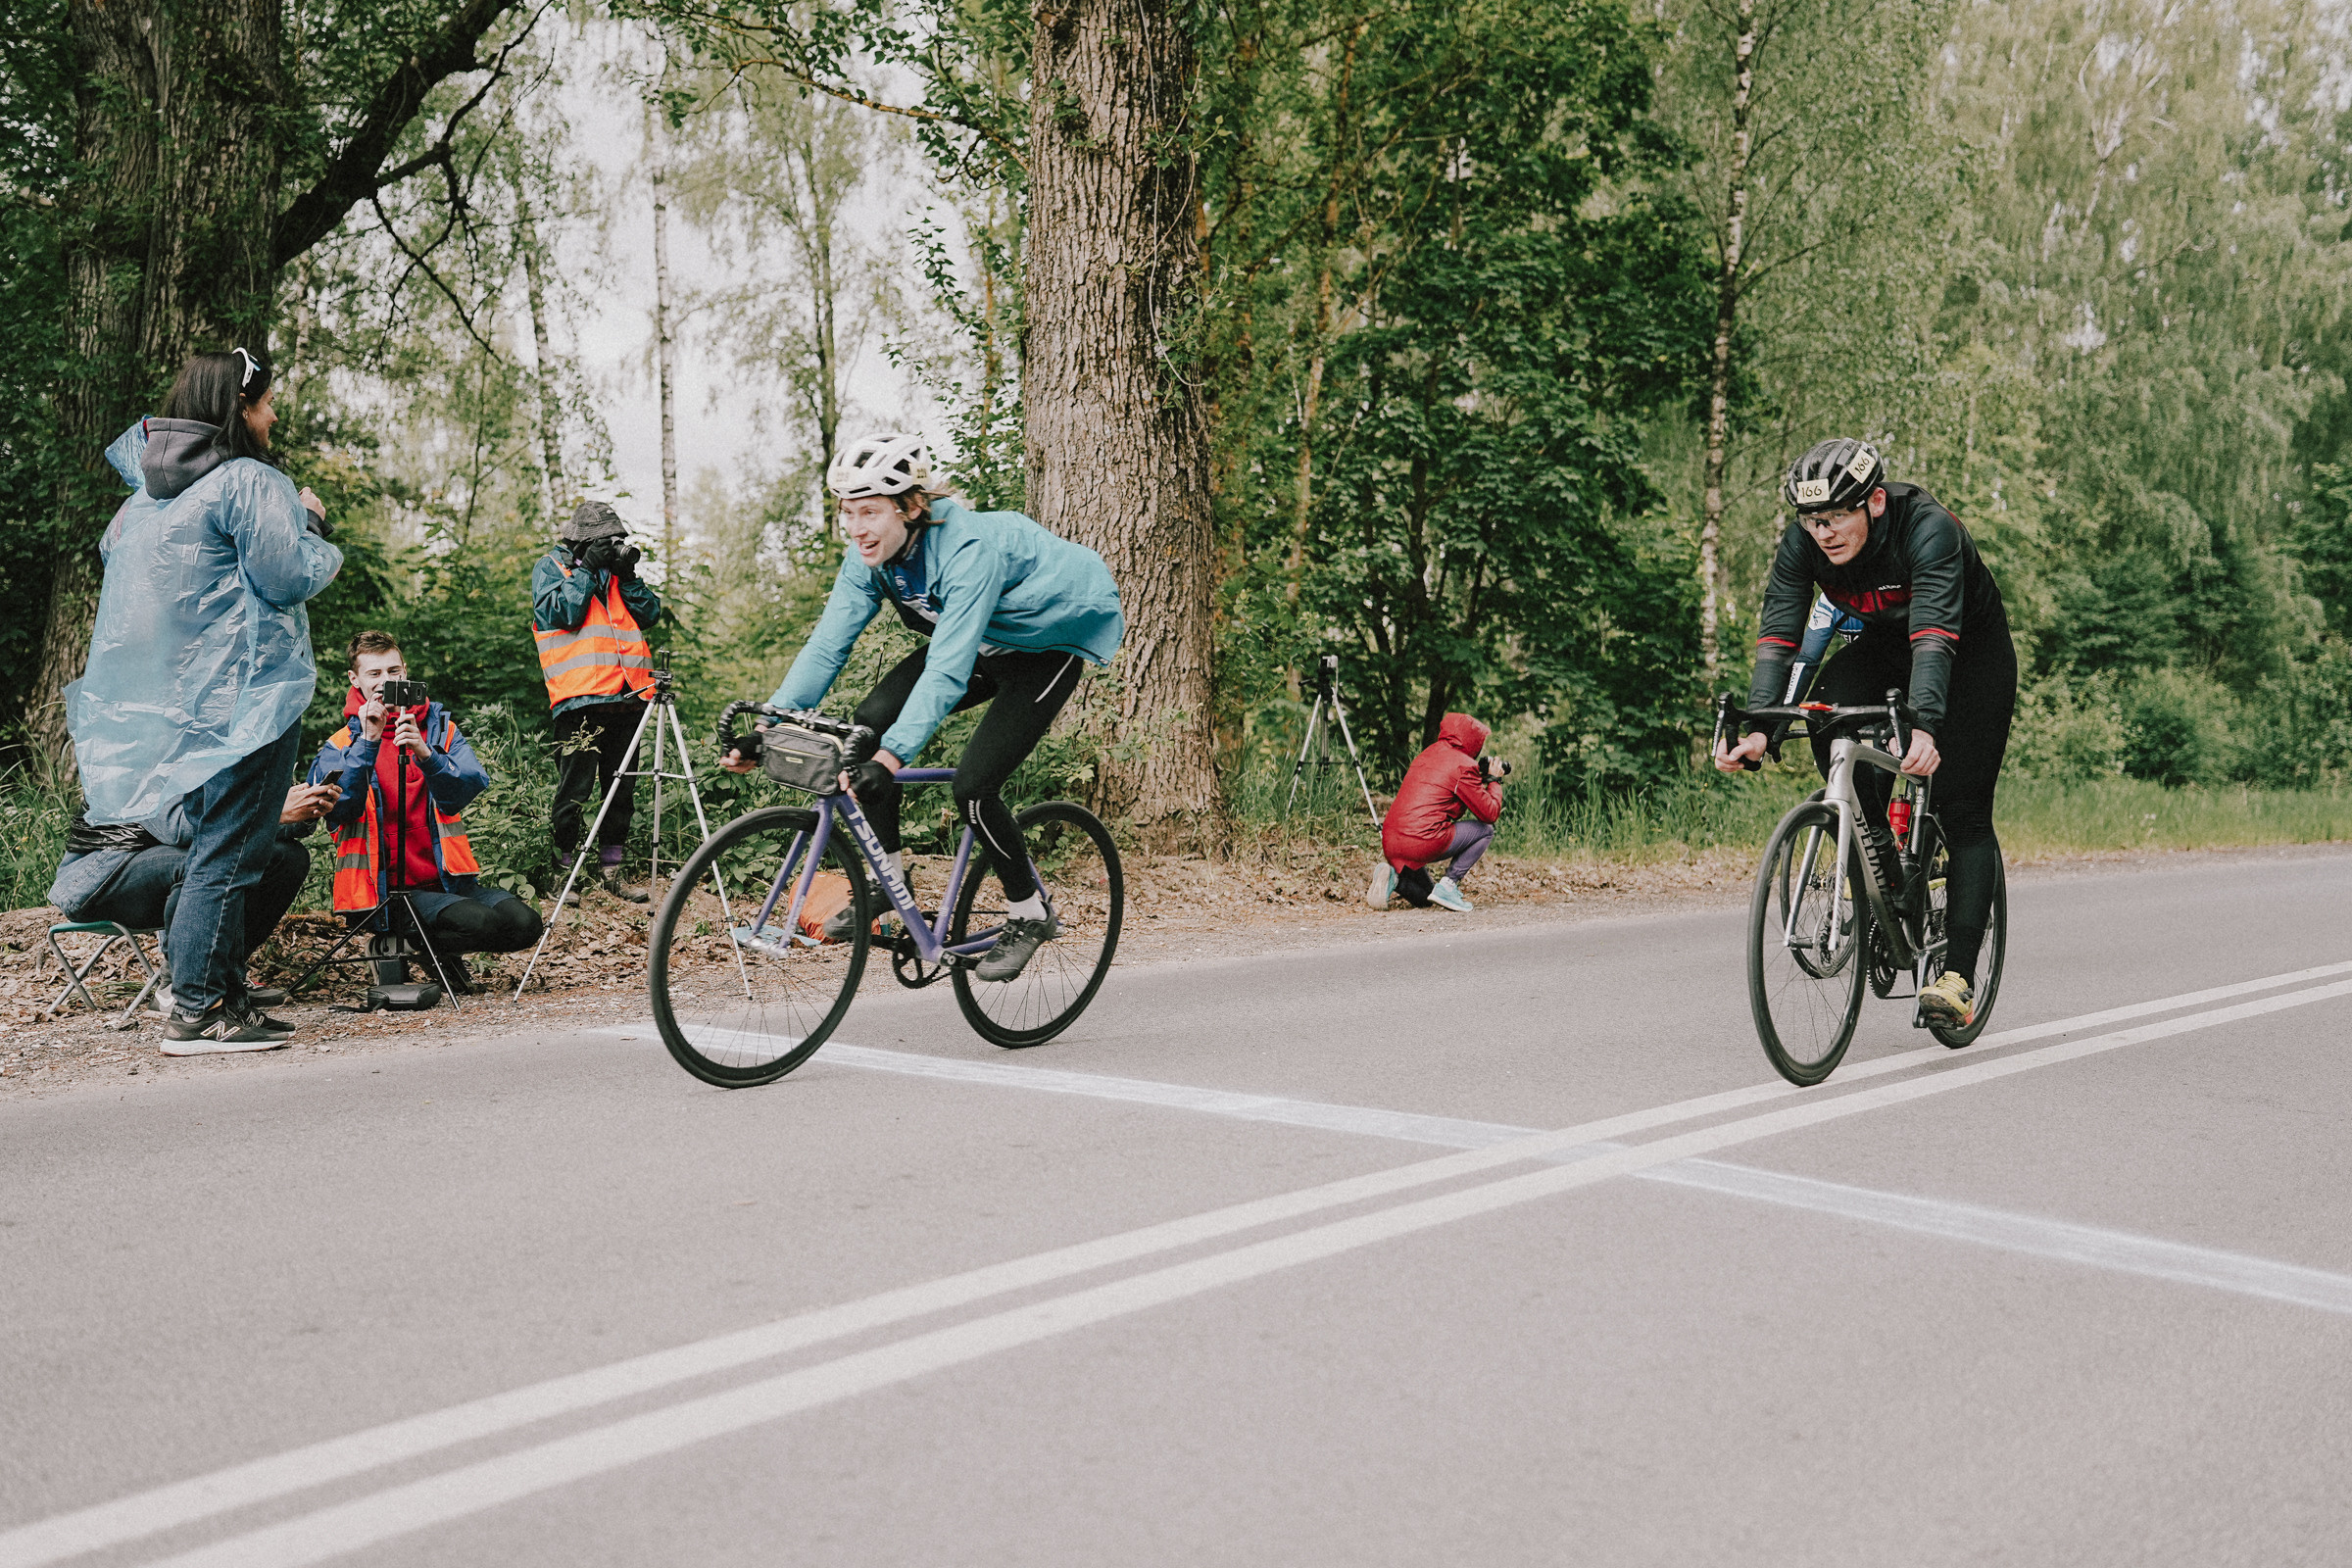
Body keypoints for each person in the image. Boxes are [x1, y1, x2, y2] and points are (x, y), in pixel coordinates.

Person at [723, 431, 1124, 982]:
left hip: (1045, 648)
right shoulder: (870, 557)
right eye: (847, 512)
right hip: (983, 643)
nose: (856, 527)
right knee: (868, 725)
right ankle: (889, 882)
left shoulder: (968, 551)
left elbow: (947, 669)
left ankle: (1030, 912)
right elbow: (827, 646)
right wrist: (770, 728)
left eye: (869, 512)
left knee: (974, 787)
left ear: (911, 507)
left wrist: (890, 760)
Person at [65, 345, 341, 1050]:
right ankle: (200, 1007)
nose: (273, 417)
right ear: (239, 407)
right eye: (266, 403)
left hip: (180, 707)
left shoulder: (141, 503)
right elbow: (286, 578)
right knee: (232, 849)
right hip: (248, 700)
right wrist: (309, 523)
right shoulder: (248, 481)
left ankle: (225, 996)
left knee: (223, 843)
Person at [1714, 436, 2017, 1027]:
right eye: (1811, 519)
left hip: (1969, 656)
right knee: (1825, 714)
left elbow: (1934, 637)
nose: (1823, 533)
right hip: (1886, 647)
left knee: (1961, 807)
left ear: (1875, 502)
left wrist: (1924, 728)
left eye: (1835, 516)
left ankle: (1956, 977)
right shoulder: (1803, 544)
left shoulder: (1928, 529)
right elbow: (1780, 635)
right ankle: (1878, 854)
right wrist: (1761, 727)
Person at [309, 631, 544, 993]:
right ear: (355, 680)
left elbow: (465, 788)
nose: (386, 682)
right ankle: (398, 945)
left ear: (405, 672)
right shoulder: (341, 743)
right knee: (479, 922)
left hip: (448, 882)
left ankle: (422, 950)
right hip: (382, 892)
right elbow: (339, 808)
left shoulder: (439, 728)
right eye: (374, 674)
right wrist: (368, 742)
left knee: (525, 924)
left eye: (394, 671)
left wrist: (426, 753)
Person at [47, 785, 337, 1036]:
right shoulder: (140, 757)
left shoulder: (208, 755)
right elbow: (179, 827)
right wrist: (274, 810)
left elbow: (236, 825)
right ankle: (180, 988)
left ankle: (221, 980)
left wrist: (305, 812)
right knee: (209, 864)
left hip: (162, 865)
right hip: (99, 877)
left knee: (286, 857)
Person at [533, 501, 663, 903]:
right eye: (608, 540)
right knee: (574, 789)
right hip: (579, 699)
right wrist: (587, 570)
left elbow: (650, 613)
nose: (615, 545)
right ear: (584, 540)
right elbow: (563, 613)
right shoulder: (551, 568)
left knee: (620, 789)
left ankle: (612, 872)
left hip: (628, 696)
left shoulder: (615, 574)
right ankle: (562, 874)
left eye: (618, 539)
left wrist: (629, 575)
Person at [1368, 714, 1506, 913]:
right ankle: (1449, 885)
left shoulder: (1427, 754)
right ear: (1474, 742)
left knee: (1426, 897)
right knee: (1486, 830)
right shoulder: (1464, 766)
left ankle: (1393, 878)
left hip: (1391, 841)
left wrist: (1479, 779)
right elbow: (1490, 814)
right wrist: (1494, 781)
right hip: (1421, 840)